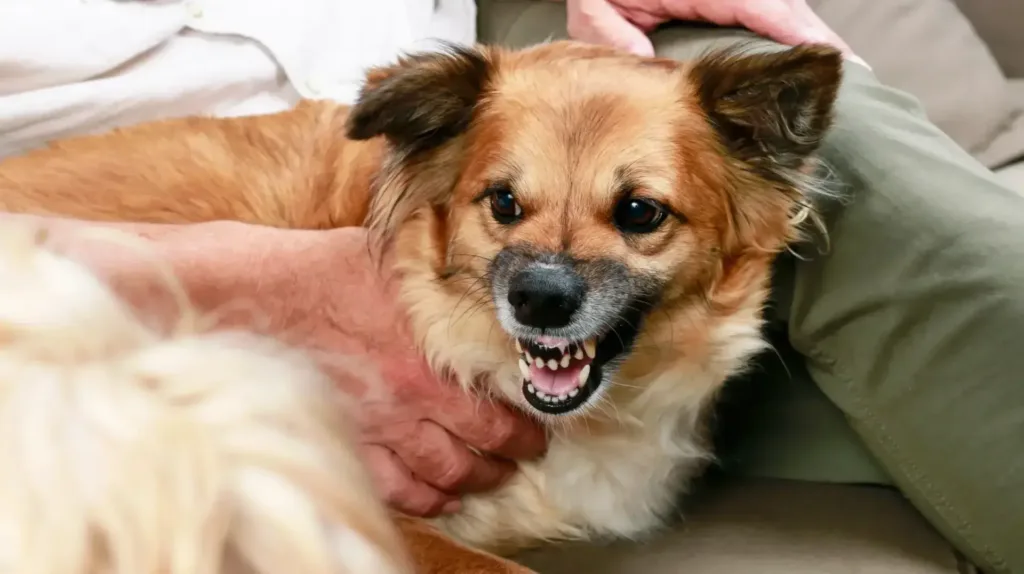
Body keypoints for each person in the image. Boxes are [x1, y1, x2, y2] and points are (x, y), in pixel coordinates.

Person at [1, 1, 1021, 572]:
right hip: (127, 189)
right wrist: (226, 278)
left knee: (848, 140)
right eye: (510, 216)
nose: (544, 278)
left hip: (459, 28)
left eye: (635, 216)